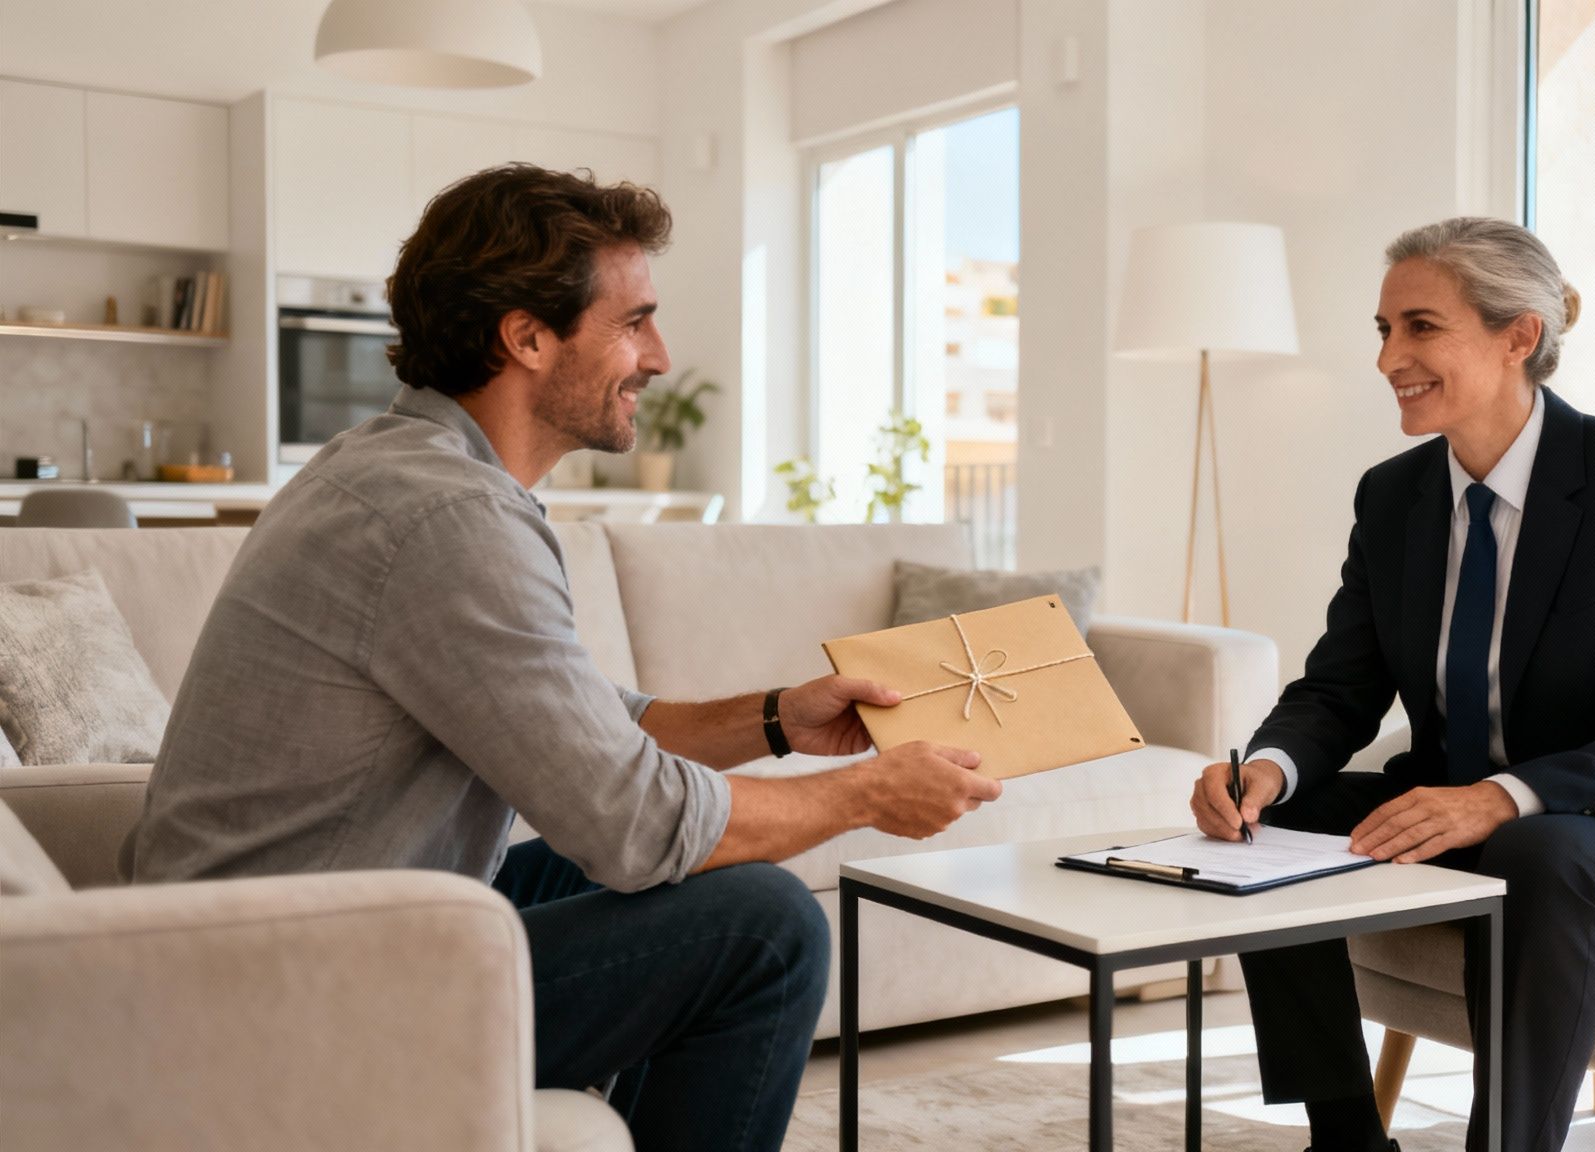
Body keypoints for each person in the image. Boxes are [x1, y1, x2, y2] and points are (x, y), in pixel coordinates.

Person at [123, 164, 1003, 1152]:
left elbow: (591, 725)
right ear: (527, 336)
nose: (660, 356)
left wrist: (776, 719)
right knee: (760, 926)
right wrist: (867, 794)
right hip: (281, 988)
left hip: (312, 923)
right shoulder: (448, 516)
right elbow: (632, 821)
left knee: (662, 890)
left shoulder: (398, 469)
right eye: (633, 322)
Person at [1188, 217, 1595, 1152]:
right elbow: (1340, 686)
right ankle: (1344, 1135)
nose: (1390, 359)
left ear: (1519, 335)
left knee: (1541, 856)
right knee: (1271, 826)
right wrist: (1268, 768)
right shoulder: (1393, 496)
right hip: (1459, 804)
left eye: (1420, 327)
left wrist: (1499, 800)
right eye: (1383, 331)